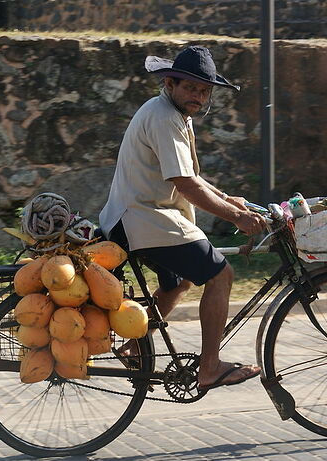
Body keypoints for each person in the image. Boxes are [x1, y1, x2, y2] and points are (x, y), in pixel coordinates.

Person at [99, 45, 267, 391]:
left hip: (141, 218)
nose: (199, 96)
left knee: (180, 282)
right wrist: (238, 217)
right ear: (171, 83)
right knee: (221, 275)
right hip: (143, 220)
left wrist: (227, 199)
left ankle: (133, 345)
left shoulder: (172, 114)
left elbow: (189, 175)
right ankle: (210, 368)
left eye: (204, 91)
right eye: (191, 87)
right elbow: (186, 184)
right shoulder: (163, 117)